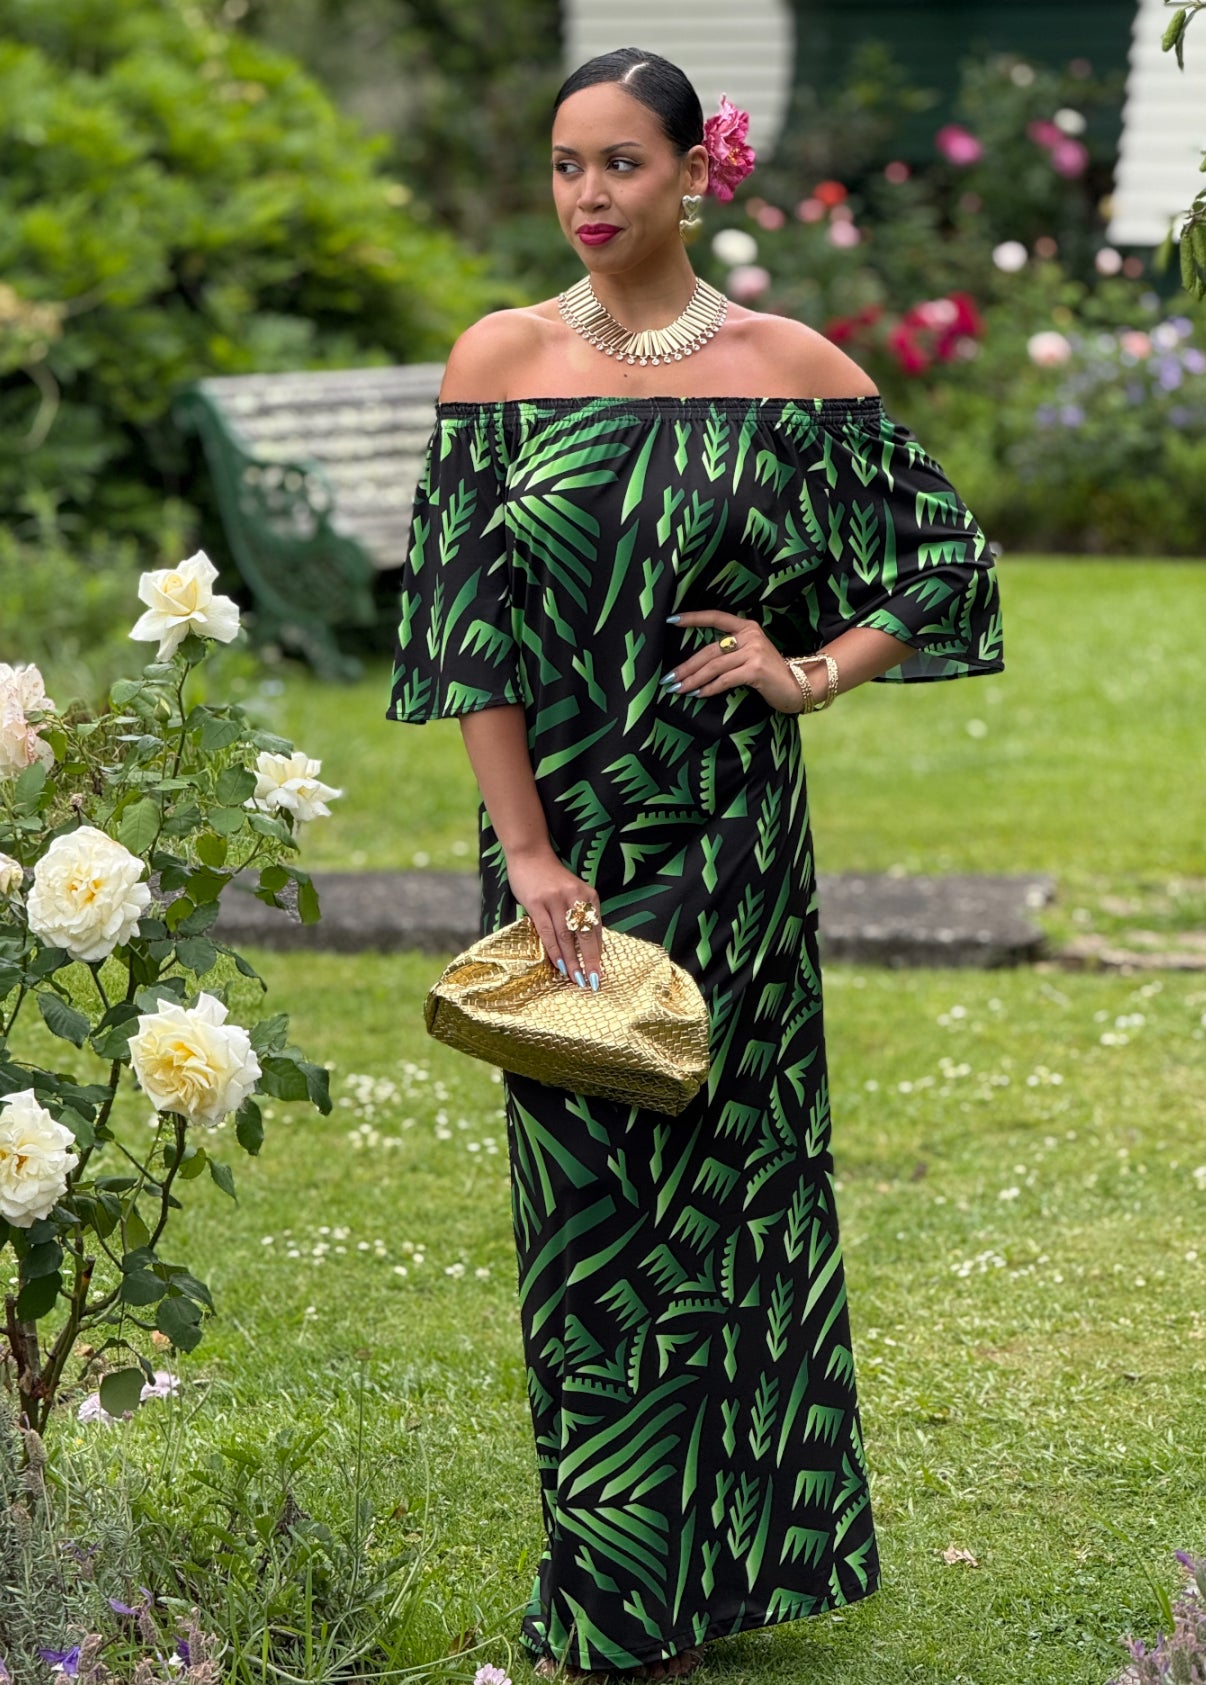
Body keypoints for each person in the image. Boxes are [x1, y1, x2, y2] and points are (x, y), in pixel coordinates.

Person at [387, 46, 1003, 1684]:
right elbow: (465, 630)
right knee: (586, 1214)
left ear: (691, 174)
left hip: (727, 836)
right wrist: (522, 849)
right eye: (565, 167)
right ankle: (608, 1594)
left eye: (620, 167)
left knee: (731, 1200)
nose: (589, 198)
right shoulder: (497, 359)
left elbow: (938, 562)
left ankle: (721, 1575)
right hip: (562, 845)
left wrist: (808, 671)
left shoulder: (784, 363)